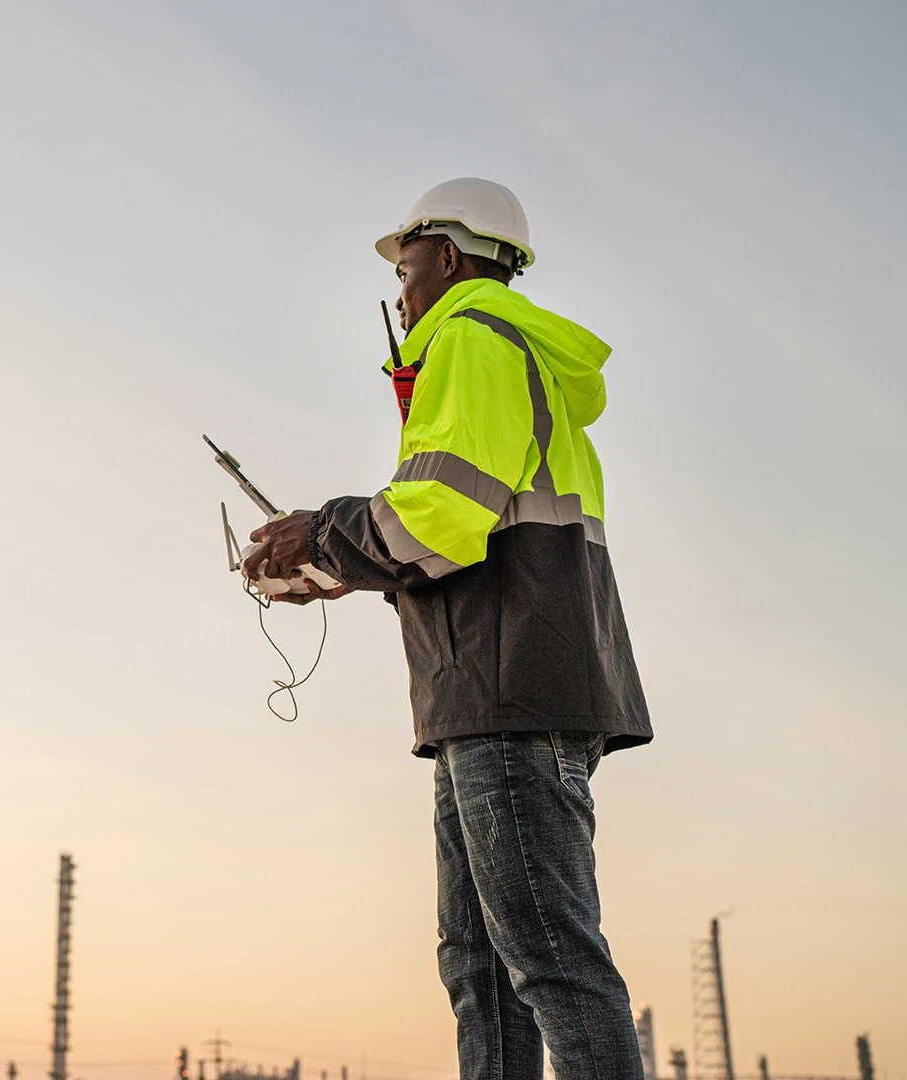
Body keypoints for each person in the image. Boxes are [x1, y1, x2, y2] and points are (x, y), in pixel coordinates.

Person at [246, 179, 651, 1077]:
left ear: (452, 257)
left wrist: (321, 532)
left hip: (508, 697)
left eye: (406, 261)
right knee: (484, 973)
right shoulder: (511, 358)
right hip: (490, 694)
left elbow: (440, 515)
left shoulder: (470, 339)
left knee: (548, 965)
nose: (399, 283)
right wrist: (334, 573)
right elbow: (468, 542)